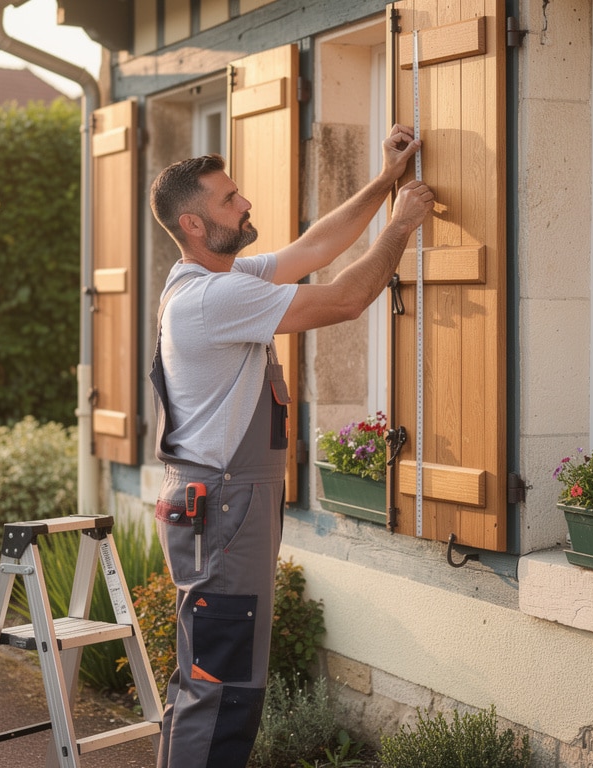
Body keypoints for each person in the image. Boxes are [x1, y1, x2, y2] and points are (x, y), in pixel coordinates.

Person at [146, 124, 434, 768]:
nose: (245, 204)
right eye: (229, 200)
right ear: (194, 224)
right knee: (224, 686)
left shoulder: (213, 277)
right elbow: (346, 298)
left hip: (218, 502)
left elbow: (314, 246)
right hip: (224, 505)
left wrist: (387, 182)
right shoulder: (212, 299)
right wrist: (402, 226)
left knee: (210, 676)